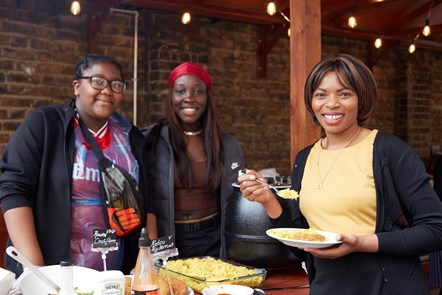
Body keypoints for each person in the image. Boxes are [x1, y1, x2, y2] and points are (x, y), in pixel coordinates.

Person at [238, 54, 442, 294]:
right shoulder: (304, 159)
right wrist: (267, 199)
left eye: (344, 94)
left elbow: (436, 229)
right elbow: (302, 245)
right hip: (327, 287)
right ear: (311, 101)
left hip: (385, 286)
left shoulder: (389, 151)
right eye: (321, 94)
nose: (331, 103)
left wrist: (360, 243)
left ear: (360, 99)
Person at [0, 54, 148, 276]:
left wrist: (144, 262)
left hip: (113, 273)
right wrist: (37, 271)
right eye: (97, 81)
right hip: (50, 268)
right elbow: (14, 190)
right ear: (77, 86)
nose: (107, 90)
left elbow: (148, 198)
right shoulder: (45, 124)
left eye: (116, 85)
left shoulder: (131, 137)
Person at [142, 61, 244, 258]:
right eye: (180, 91)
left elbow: (236, 200)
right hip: (167, 238)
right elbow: (146, 201)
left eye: (198, 92)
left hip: (214, 239)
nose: (189, 98)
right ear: (171, 96)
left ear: (207, 97)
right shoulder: (151, 140)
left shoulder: (229, 145)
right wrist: (151, 246)